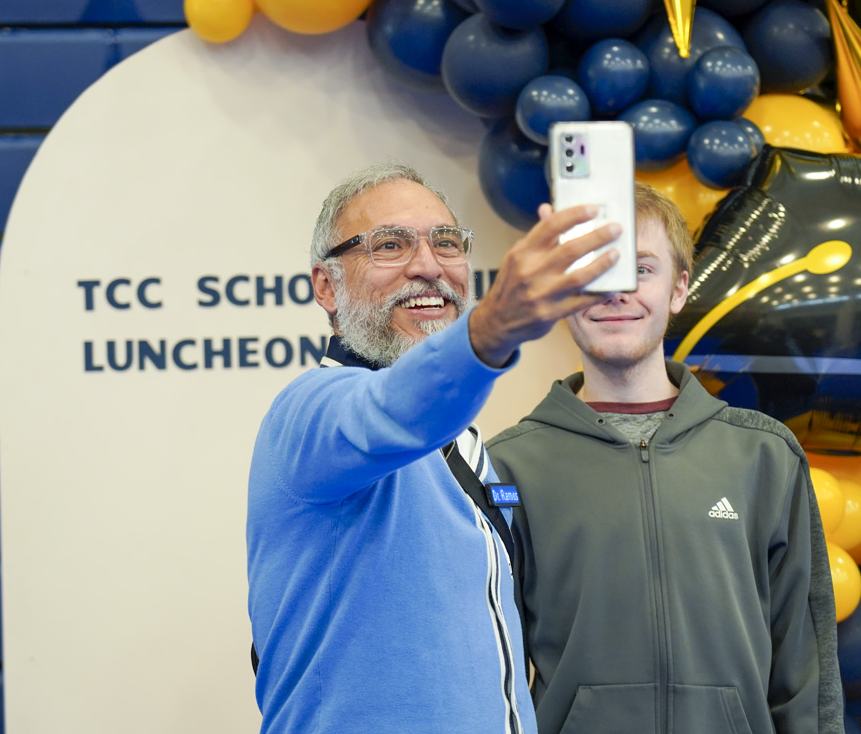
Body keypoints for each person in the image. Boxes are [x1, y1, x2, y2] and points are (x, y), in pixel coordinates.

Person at [246, 162, 623, 734]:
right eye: (390, 246)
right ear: (327, 285)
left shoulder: (459, 441)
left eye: (446, 243)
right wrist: (494, 325)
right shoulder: (308, 412)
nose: (428, 267)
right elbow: (389, 410)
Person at [487, 183, 845, 734]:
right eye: (596, 270)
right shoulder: (509, 468)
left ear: (679, 289)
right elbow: (491, 672)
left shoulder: (764, 454)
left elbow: (805, 664)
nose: (617, 292)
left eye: (641, 268)